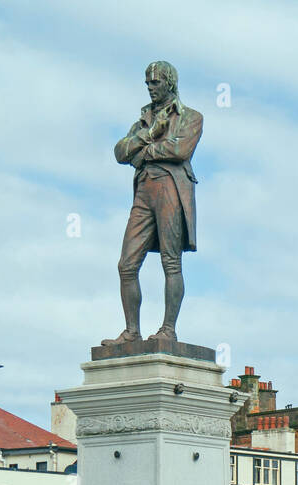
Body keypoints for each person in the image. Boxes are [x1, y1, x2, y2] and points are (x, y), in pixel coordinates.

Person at [101, 60, 203, 347]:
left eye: (155, 82)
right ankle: (131, 331)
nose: (150, 87)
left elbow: (180, 149)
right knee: (126, 265)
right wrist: (148, 134)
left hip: (169, 187)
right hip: (144, 192)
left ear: (169, 82)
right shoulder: (142, 121)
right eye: (147, 83)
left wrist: (143, 152)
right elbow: (121, 151)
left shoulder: (191, 117)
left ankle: (167, 330)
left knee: (171, 262)